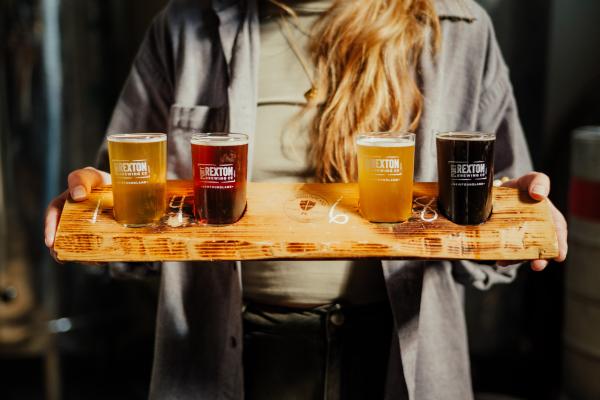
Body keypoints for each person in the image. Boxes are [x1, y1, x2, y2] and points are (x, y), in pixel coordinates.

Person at [44, 0, 568, 398]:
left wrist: (522, 224)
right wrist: (92, 207)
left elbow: (500, 202)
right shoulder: (185, 24)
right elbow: (125, 206)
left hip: (398, 351)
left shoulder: (460, 29)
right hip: (230, 351)